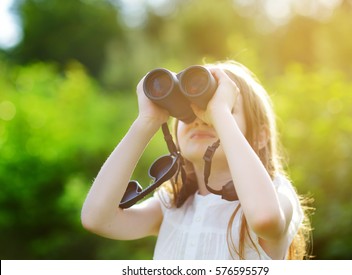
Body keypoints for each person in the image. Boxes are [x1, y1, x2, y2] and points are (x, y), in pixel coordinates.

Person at [81, 60, 312, 260]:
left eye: (227, 110)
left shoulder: (276, 196)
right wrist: (147, 121)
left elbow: (264, 219)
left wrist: (218, 112)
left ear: (260, 137)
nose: (201, 120)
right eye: (189, 111)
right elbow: (96, 219)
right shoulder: (172, 206)